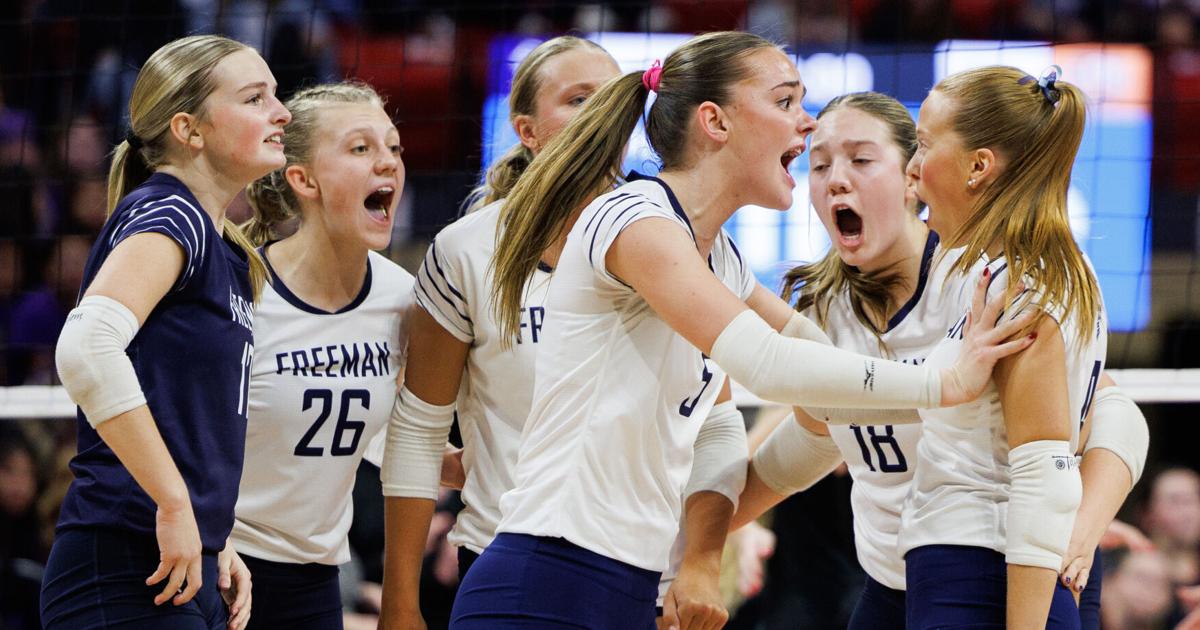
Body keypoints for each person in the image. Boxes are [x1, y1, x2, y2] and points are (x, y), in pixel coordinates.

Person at [450, 31, 1035, 630]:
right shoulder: (632, 219)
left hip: (633, 587)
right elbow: (769, 364)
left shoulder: (719, 258)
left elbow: (792, 382)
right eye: (785, 103)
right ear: (715, 122)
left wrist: (833, 425)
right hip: (547, 578)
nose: (805, 125)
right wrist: (945, 383)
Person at [731, 90, 1150, 630]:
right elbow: (816, 433)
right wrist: (704, 531)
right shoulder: (820, 306)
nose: (836, 178)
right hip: (896, 575)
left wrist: (1082, 527)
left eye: (861, 160)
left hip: (1002, 559)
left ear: (913, 175)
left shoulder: (976, 273)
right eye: (818, 164)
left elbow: (1110, 411)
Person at [40, 34, 291, 630]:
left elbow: (184, 411)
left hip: (179, 563)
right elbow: (85, 349)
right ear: (190, 128)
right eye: (255, 98)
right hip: (122, 565)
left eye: (275, 96)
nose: (281, 112)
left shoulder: (225, 247)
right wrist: (174, 503)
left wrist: (211, 534)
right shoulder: (171, 213)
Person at [377, 35, 621, 629]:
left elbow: (709, 417)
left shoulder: (673, 239)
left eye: (609, 99)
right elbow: (419, 427)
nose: (597, 116)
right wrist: (400, 602)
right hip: (504, 551)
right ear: (527, 131)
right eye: (576, 99)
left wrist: (701, 554)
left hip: (638, 563)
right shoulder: (467, 249)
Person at [896, 65, 1112, 629]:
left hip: (981, 579)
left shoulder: (1021, 285)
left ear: (978, 166)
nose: (912, 168)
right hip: (975, 572)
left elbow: (1045, 476)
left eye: (922, 145)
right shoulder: (1034, 270)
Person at [233, 80, 412, 630]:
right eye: (361, 148)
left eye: (393, 147)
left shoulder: (405, 299)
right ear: (302, 179)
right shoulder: (238, 291)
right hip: (222, 562)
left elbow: (393, 435)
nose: (387, 163)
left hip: (317, 579)